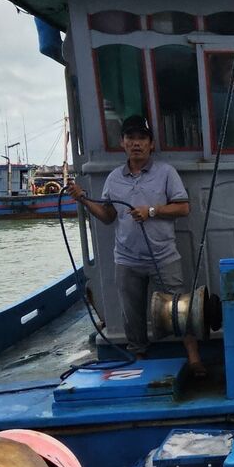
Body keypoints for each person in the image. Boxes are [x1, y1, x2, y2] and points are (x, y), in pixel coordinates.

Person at [68, 114, 206, 378]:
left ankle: (194, 358)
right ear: (122, 143)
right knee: (132, 315)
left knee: (179, 308)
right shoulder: (113, 179)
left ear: (151, 144)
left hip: (163, 256)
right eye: (130, 138)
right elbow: (108, 216)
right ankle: (138, 360)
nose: (136, 143)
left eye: (142, 138)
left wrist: (151, 211)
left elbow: (183, 207)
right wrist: (83, 199)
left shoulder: (166, 173)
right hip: (127, 259)